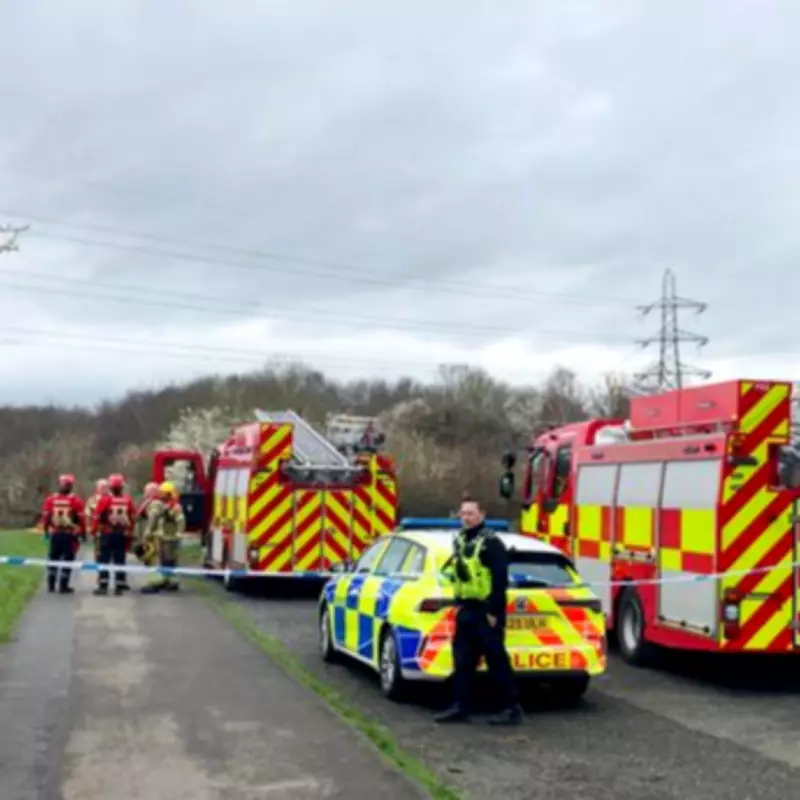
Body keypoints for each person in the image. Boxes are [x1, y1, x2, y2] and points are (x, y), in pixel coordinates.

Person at [434, 496, 523, 725]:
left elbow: (500, 578)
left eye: (471, 513)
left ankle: (510, 709)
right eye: (463, 513)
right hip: (467, 608)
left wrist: (494, 611)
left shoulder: (491, 542)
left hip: (487, 611)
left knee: (496, 661)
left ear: (482, 515)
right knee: (462, 661)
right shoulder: (462, 540)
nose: (466, 518)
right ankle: (460, 707)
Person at [39, 474, 85, 594]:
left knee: (53, 558)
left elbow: (46, 517)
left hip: (55, 534)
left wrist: (45, 531)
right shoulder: (75, 501)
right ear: (71, 486)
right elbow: (81, 520)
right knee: (67, 560)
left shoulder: (51, 499)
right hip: (69, 535)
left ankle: (51, 585)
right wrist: (83, 533)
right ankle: (63, 586)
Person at [92, 473, 137, 595]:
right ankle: (119, 585)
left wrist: (94, 531)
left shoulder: (105, 500)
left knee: (104, 560)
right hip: (121, 535)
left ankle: (103, 586)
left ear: (110, 487)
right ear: (122, 487)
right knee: (120, 560)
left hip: (107, 534)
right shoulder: (127, 500)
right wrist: (130, 531)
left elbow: (97, 516)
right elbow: (133, 517)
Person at [140, 481, 185, 594]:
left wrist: (179, 533)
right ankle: (167, 583)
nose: (160, 495)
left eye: (163, 493)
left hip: (170, 539)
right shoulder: (164, 505)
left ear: (169, 494)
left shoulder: (175, 507)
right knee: (165, 561)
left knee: (167, 561)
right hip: (164, 538)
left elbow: (180, 520)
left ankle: (164, 583)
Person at [132, 481, 159, 565]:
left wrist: (148, 529)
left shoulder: (155, 503)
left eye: (146, 491)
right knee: (146, 555)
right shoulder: (146, 501)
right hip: (143, 534)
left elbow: (153, 517)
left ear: (153, 491)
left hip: (151, 534)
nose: (144, 493)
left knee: (152, 556)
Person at [84, 479, 109, 550]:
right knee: (98, 550)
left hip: (110, 529)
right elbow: (87, 514)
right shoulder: (92, 499)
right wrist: (88, 526)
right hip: (97, 529)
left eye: (105, 487)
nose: (104, 489)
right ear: (97, 488)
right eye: (102, 487)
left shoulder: (112, 498)